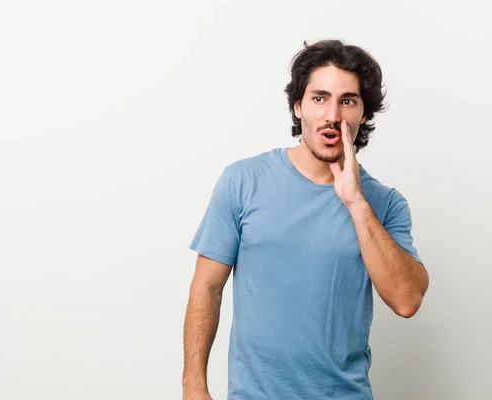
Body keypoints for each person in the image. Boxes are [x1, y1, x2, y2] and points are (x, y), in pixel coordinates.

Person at [182, 39, 430, 400]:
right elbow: (207, 288)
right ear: (298, 107)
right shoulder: (242, 181)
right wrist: (193, 387)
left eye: (347, 101)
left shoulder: (385, 203)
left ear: (363, 114)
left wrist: (356, 202)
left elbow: (407, 300)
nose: (333, 114)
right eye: (319, 98)